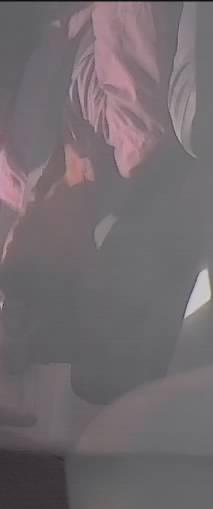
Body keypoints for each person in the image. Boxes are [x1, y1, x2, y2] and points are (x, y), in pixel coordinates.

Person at [0, 1, 200, 435]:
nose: (11, 247)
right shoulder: (133, 137)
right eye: (27, 271)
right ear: (79, 261)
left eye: (6, 273)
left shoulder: (11, 169)